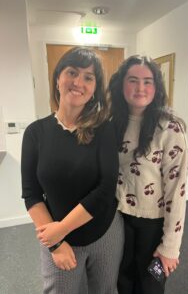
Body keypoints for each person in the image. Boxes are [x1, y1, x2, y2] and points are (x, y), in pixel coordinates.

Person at [21, 48, 124, 294]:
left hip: (104, 232)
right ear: (58, 78)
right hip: (58, 237)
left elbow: (105, 189)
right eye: (72, 72)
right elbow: (31, 194)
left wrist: (60, 230)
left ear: (94, 90)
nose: (79, 82)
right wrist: (56, 242)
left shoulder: (103, 129)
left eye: (88, 77)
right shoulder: (35, 133)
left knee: (106, 291)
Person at [108, 55, 188, 294]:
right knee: (122, 282)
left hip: (153, 225)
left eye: (148, 81)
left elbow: (178, 190)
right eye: (133, 80)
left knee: (150, 285)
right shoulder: (113, 122)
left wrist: (170, 247)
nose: (140, 88)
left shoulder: (170, 127)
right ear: (122, 84)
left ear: (157, 87)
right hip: (119, 220)